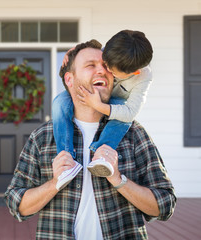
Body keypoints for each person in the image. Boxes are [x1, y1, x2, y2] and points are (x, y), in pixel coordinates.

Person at [4, 40, 176, 239]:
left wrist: (118, 179)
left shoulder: (134, 134)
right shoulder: (42, 138)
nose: (101, 71)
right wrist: (54, 183)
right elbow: (17, 206)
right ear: (69, 79)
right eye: (90, 65)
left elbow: (164, 205)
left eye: (105, 66)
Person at [53, 30, 153, 181]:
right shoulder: (113, 50)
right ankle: (65, 158)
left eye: (110, 70)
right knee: (59, 103)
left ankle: (102, 154)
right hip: (93, 95)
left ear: (135, 72)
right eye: (105, 62)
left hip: (115, 104)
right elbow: (89, 53)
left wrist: (98, 105)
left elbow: (130, 112)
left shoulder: (143, 77)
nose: (104, 70)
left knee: (123, 119)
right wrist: (73, 52)